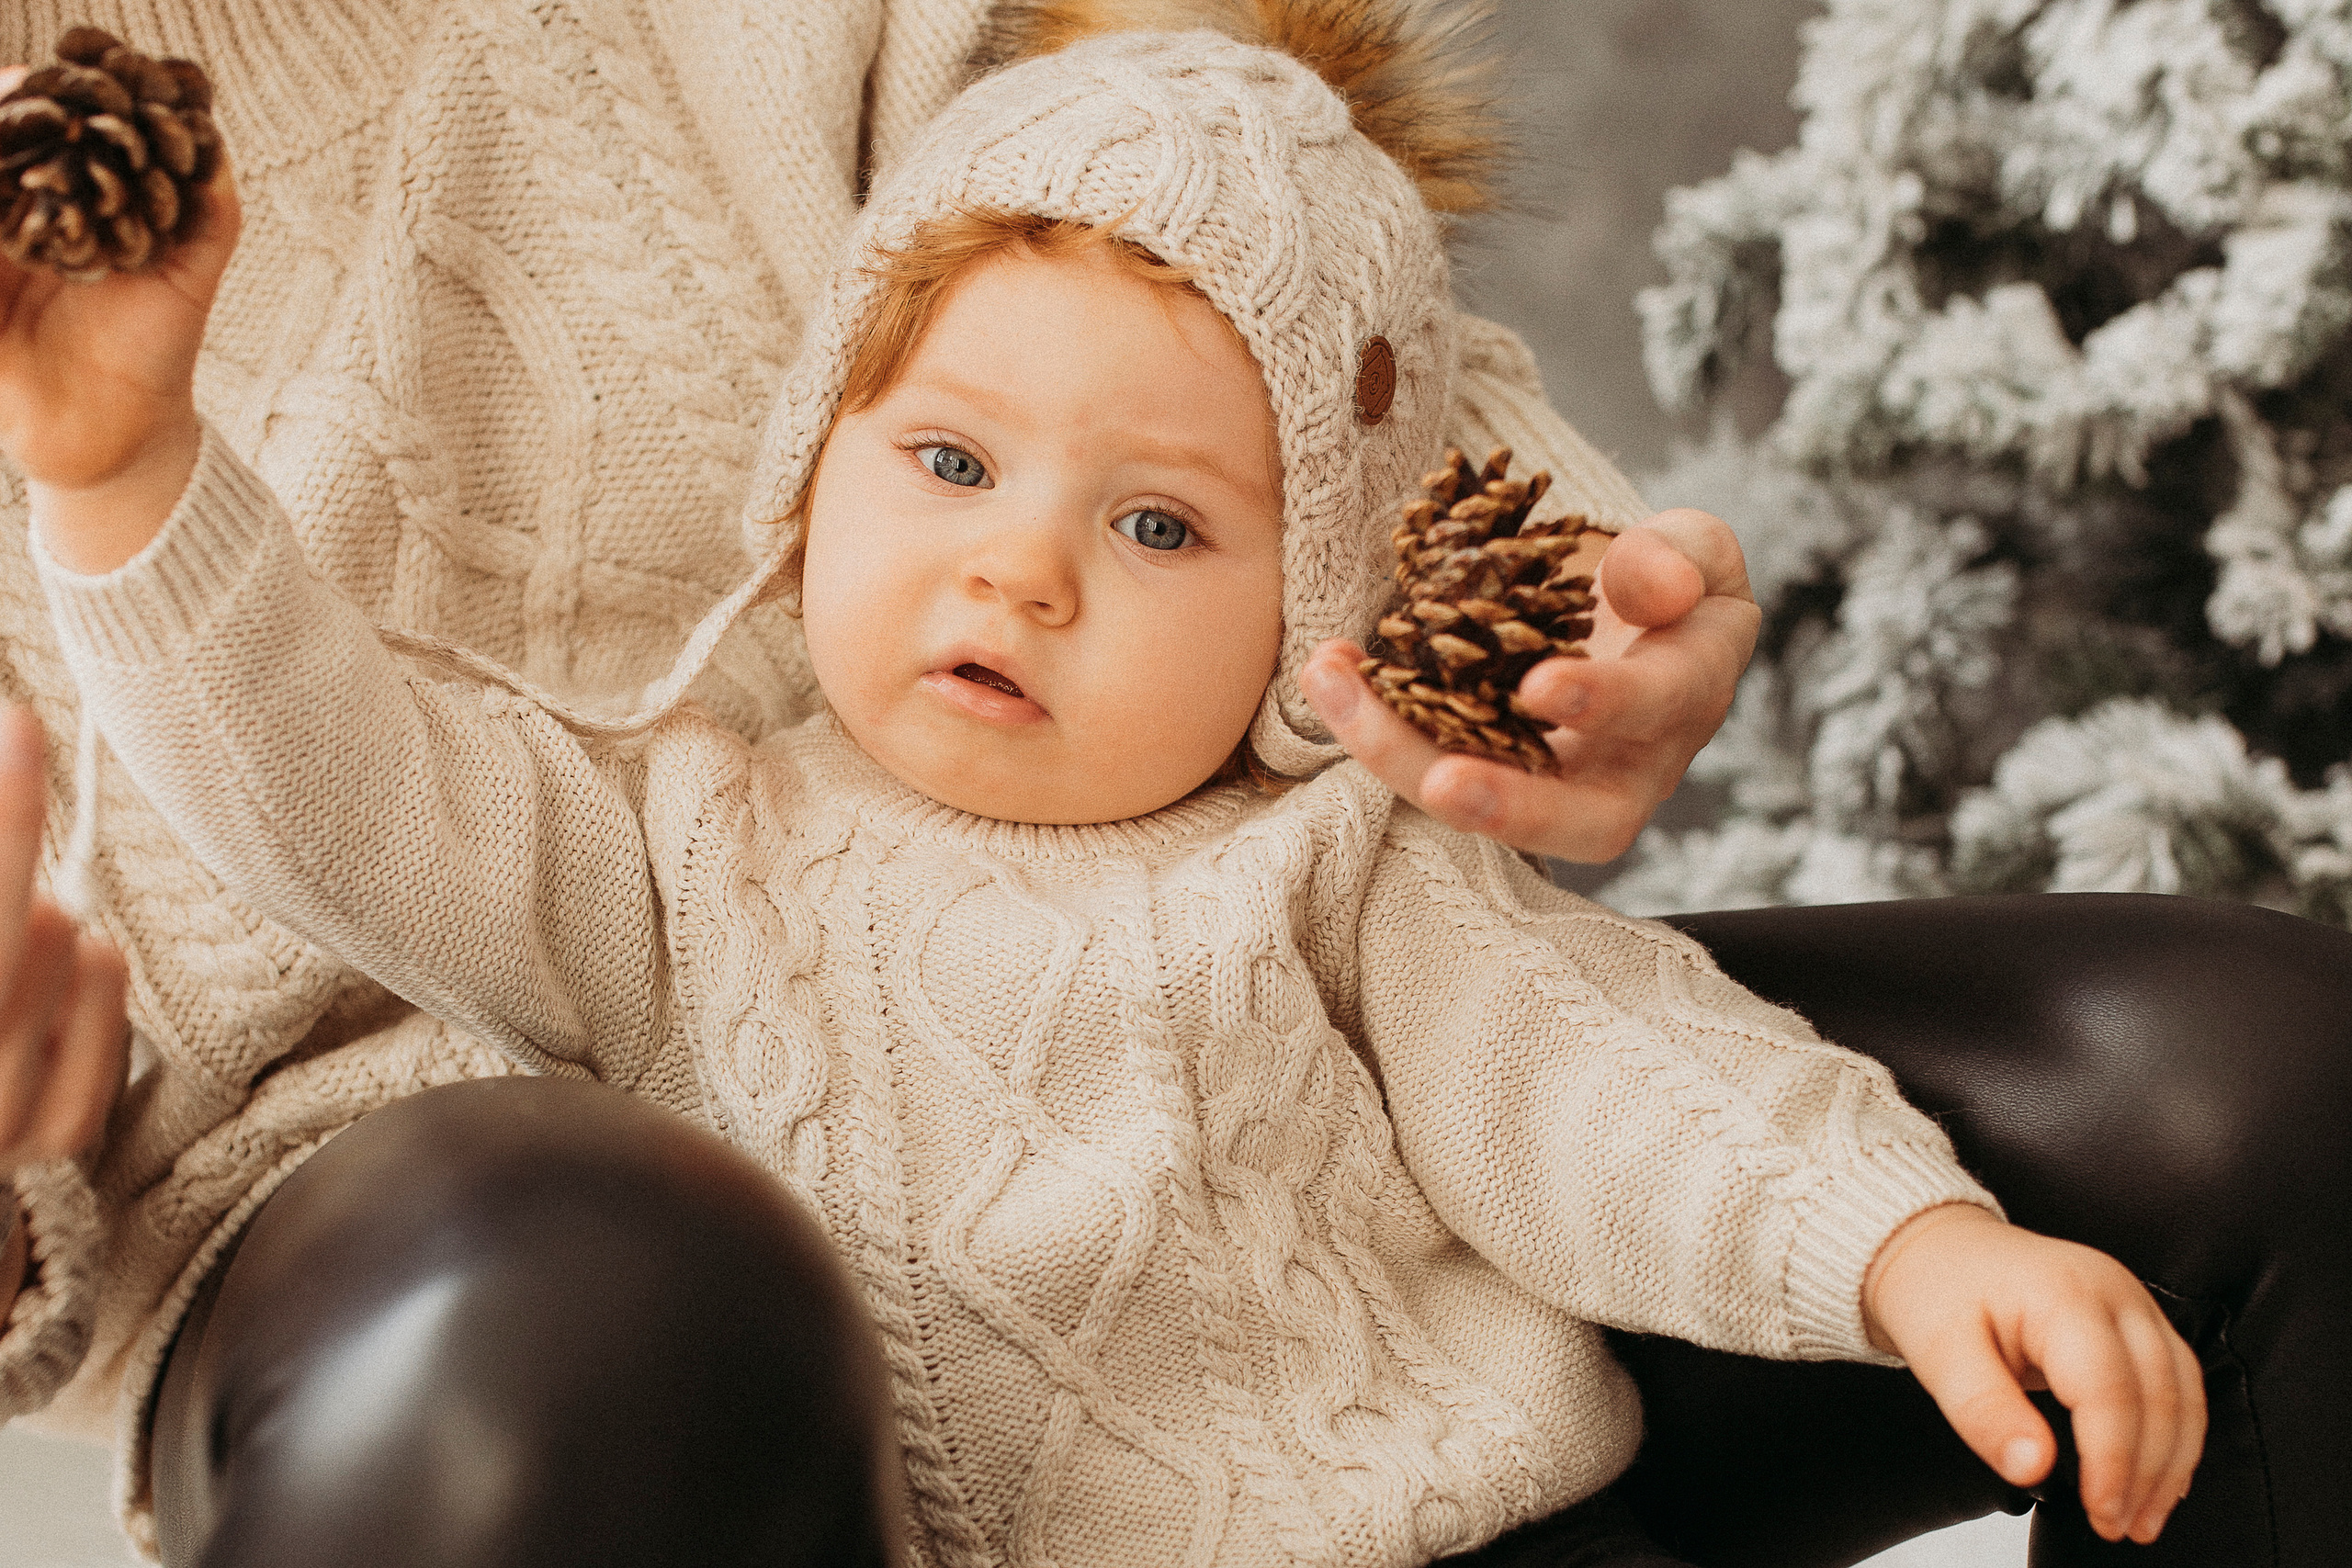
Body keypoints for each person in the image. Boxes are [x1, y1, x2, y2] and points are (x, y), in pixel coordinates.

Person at [2, 11, 2207, 1566]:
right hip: (687, 1397)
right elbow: (340, 785)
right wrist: (121, 479)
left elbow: (1616, 1083)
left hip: (1472, 1538)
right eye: (944, 464)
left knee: (2253, 1089)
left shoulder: (1327, 870)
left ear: (1300, 609)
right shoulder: (678, 850)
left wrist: (1905, 1248)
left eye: (1155, 528)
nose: (1018, 566)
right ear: (809, 489)